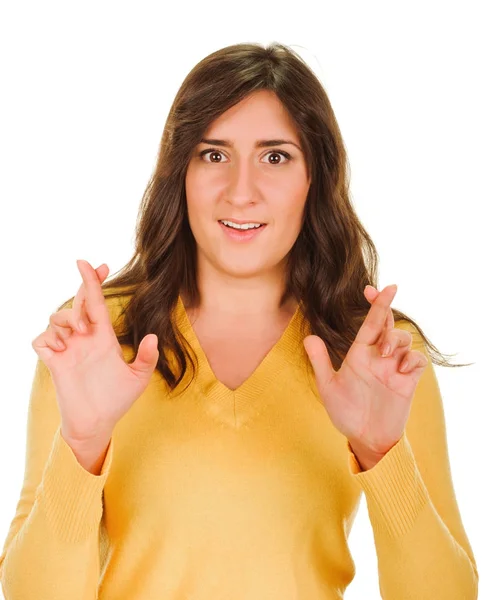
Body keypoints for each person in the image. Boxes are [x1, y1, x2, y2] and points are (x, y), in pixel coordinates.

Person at [0, 42, 478, 599]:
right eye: (214, 154)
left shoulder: (376, 353)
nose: (241, 192)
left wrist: (382, 454)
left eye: (275, 157)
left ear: (314, 177)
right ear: (180, 171)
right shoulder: (99, 337)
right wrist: (82, 445)